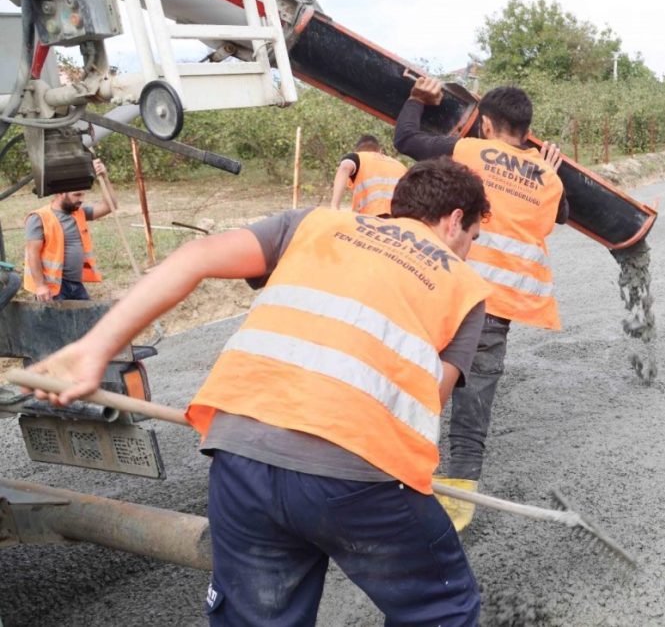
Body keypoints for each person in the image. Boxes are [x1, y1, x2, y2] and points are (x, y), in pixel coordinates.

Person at [25, 157, 493, 626]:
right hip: (360, 469)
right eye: (473, 238)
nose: (469, 250)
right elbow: (429, 398)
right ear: (455, 221)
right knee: (442, 610)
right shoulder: (463, 285)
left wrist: (94, 348)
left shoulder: (315, 223)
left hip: (241, 455)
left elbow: (195, 257)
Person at [394, 77, 566, 531]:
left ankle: (387, 466)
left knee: (408, 370)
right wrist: (547, 167)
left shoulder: (468, 151)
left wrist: (416, 100)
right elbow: (560, 215)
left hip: (445, 289)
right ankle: (460, 499)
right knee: (474, 397)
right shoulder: (548, 177)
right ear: (527, 130)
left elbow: (407, 140)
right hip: (496, 305)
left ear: (485, 125)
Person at [23, 158, 114, 301]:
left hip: (76, 285)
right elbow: (32, 254)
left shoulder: (79, 213)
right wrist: (40, 286)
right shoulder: (39, 218)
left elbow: (109, 206)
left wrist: (104, 177)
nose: (81, 199)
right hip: (53, 287)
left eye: (83, 194)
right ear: (60, 194)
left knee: (86, 321)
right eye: (77, 195)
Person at [329, 133, 407, 216]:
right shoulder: (400, 165)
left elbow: (345, 167)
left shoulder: (357, 157)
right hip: (400, 219)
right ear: (380, 151)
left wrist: (334, 206)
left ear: (357, 151)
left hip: (372, 217)